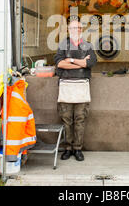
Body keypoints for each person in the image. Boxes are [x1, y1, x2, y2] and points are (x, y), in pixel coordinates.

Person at [53, 19, 97, 161]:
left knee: (80, 119)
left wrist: (70, 60)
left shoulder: (88, 45)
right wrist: (81, 64)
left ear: (81, 30)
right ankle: (67, 148)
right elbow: (59, 63)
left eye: (78, 28)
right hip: (66, 86)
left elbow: (91, 62)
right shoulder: (63, 45)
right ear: (69, 30)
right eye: (73, 28)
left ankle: (77, 149)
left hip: (82, 86)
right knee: (66, 120)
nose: (76, 30)